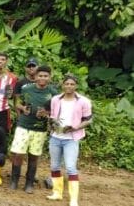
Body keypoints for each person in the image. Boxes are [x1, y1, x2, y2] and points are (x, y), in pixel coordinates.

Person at [46, 75, 92, 206]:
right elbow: (53, 117)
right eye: (67, 84)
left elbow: (88, 119)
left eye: (72, 84)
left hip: (71, 138)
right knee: (54, 166)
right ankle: (57, 193)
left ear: (76, 86)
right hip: (56, 137)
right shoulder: (55, 99)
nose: (69, 86)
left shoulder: (83, 101)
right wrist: (51, 125)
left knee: (71, 167)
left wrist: (75, 127)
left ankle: (73, 199)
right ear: (63, 85)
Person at [10, 65, 57, 193]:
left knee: (34, 156)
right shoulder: (26, 89)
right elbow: (18, 103)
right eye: (40, 76)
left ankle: (29, 183)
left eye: (45, 76)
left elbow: (56, 111)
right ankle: (14, 181)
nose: (43, 78)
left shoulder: (53, 93)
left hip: (40, 129)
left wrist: (47, 114)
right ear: (35, 77)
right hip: (24, 125)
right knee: (18, 154)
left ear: (49, 77)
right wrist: (23, 108)